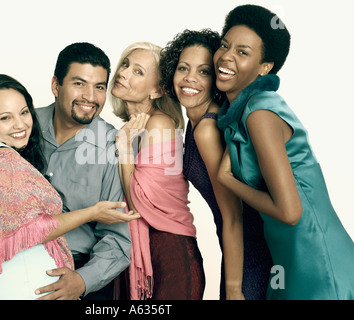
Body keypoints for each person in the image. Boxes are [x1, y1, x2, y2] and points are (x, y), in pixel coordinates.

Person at [0, 43, 135, 300]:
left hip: (79, 274)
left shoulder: (113, 146)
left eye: (99, 87)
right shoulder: (20, 126)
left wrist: (82, 281)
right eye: (79, 83)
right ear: (56, 85)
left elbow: (118, 239)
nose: (90, 96)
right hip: (12, 271)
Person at [214, 4, 354, 299]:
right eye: (224, 45)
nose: (226, 56)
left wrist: (228, 181)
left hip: (317, 260)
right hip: (290, 259)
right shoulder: (243, 112)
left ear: (265, 67)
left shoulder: (260, 114)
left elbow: (290, 213)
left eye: (242, 52)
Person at [159, 29, 273, 300]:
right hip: (237, 251)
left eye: (204, 72)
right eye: (183, 68)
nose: (190, 79)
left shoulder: (207, 130)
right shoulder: (195, 120)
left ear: (216, 79)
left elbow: (234, 215)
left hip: (250, 254)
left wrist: (233, 289)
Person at [110, 41, 205, 300]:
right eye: (126, 64)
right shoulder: (129, 128)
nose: (123, 73)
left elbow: (138, 201)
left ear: (157, 90)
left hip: (170, 254)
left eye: (138, 72)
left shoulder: (160, 124)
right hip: (140, 252)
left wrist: (123, 147)